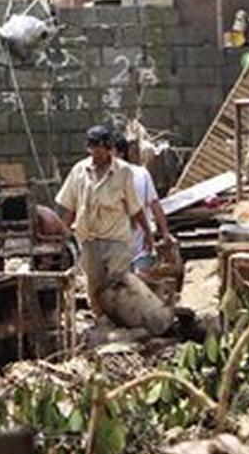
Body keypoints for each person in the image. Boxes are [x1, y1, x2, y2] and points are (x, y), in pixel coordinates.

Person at [55, 125, 173, 335]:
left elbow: (136, 208)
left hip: (116, 238)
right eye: (91, 151)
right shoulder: (79, 171)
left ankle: (125, 323)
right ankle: (102, 322)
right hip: (89, 238)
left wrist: (148, 233)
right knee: (95, 285)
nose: (95, 156)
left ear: (109, 148)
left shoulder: (123, 172)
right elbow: (70, 205)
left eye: (99, 150)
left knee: (118, 283)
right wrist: (64, 234)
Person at [112, 131, 172, 273]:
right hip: (117, 251)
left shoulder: (141, 174)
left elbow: (154, 204)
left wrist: (165, 233)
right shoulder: (102, 181)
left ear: (120, 153)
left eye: (110, 151)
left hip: (139, 247)